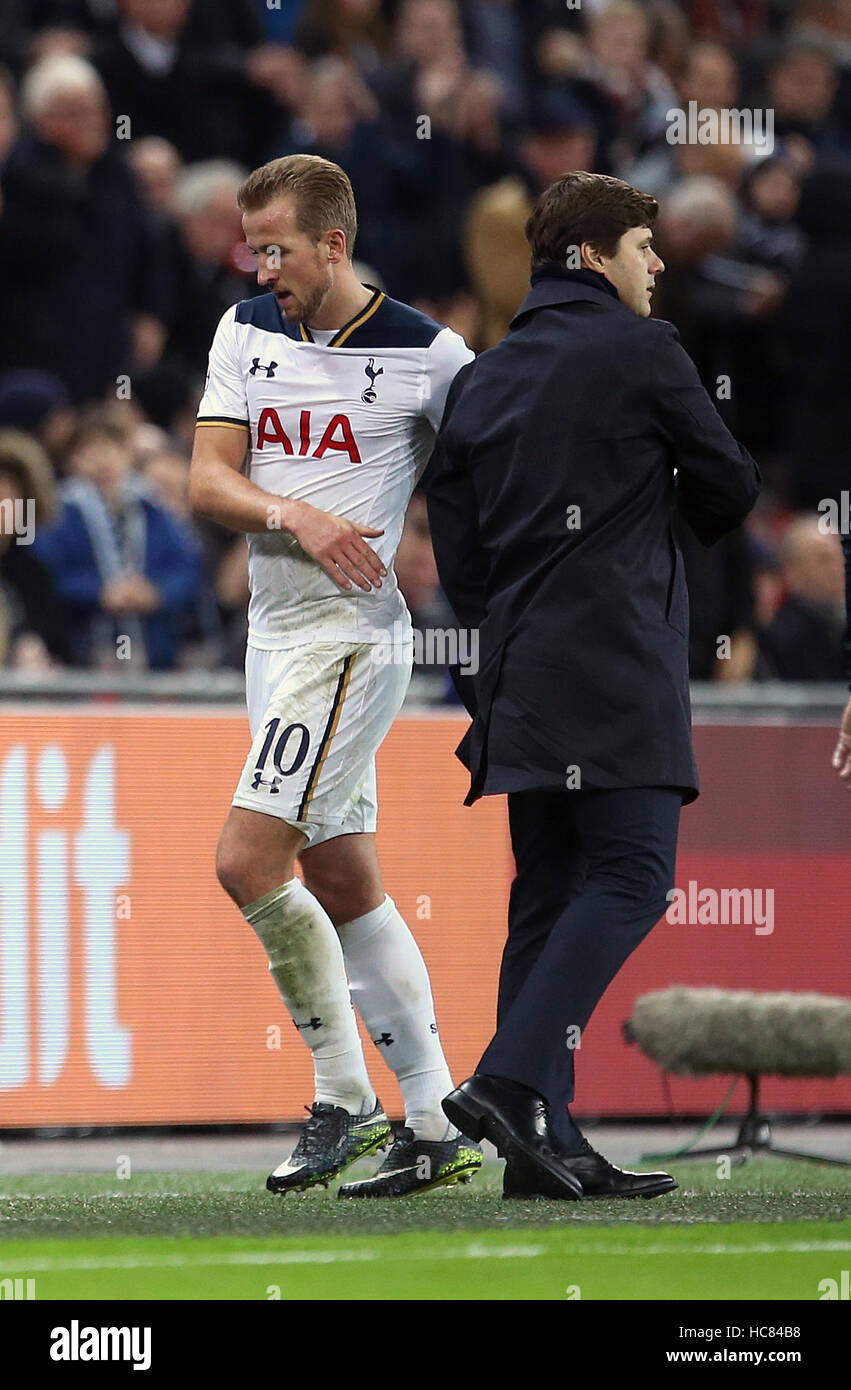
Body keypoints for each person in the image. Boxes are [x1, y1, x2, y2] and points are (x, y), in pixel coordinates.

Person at [424, 170, 760, 1200]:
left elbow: (456, 543)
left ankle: (542, 1141)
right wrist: (655, 515)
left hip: (517, 671)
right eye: (639, 248)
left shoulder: (484, 373)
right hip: (616, 668)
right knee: (629, 877)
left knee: (547, 896)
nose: (655, 264)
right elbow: (731, 484)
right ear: (592, 256)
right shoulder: (642, 351)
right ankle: (506, 1079)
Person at [189, 153, 482, 1197]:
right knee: (342, 874)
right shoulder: (245, 330)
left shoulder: (428, 354)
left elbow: (499, 468)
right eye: (252, 246)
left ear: (334, 243)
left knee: (246, 858)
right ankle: (438, 1120)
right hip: (275, 639)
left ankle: (342, 1098)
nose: (263, 266)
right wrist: (295, 512)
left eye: (277, 247)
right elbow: (206, 479)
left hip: (352, 639)